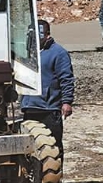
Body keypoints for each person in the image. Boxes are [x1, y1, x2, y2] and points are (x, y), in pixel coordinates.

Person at [20, 20, 75, 158]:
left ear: (47, 35)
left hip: (48, 109)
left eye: (38, 35)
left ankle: (55, 178)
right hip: (30, 107)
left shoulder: (59, 53)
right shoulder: (27, 53)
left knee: (53, 146)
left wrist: (67, 101)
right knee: (30, 147)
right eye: (31, 36)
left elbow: (66, 79)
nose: (34, 39)